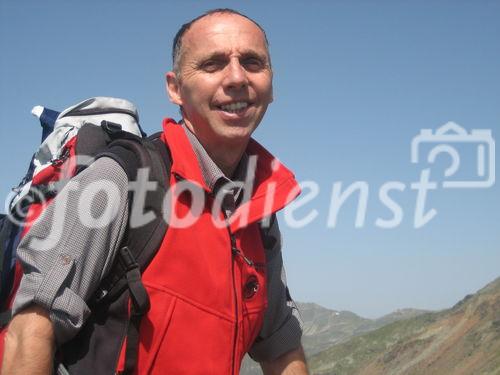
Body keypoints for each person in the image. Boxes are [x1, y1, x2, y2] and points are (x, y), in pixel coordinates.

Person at [1, 8, 309, 375]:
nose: (238, 77)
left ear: (271, 83)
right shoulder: (121, 179)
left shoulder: (259, 211)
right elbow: (30, 333)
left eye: (253, 62)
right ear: (175, 88)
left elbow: (280, 349)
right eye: (213, 64)